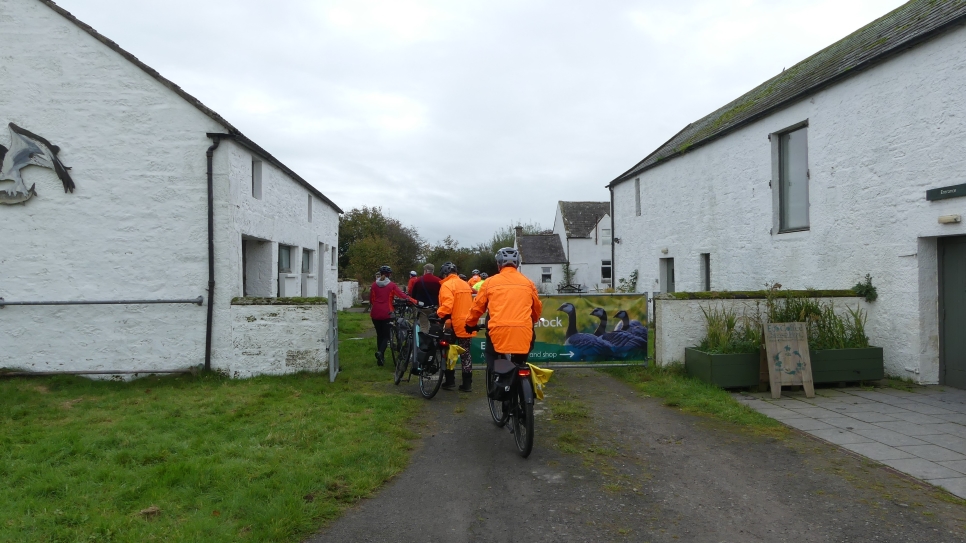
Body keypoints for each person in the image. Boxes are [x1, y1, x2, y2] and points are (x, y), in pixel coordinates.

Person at [465, 248, 542, 377]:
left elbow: (477, 307)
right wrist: (533, 320)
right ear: (517, 264)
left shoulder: (489, 282)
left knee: (492, 355)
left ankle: (496, 384)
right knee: (521, 362)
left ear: (499, 264)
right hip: (523, 330)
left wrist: (470, 323)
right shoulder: (528, 283)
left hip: (498, 331)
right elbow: (536, 308)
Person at [437, 262, 475, 391]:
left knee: (449, 351)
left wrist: (439, 314)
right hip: (467, 323)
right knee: (466, 353)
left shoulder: (447, 285)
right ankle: (467, 383)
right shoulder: (465, 284)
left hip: (452, 323)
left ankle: (449, 380)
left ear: (445, 274)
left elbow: (448, 305)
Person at [370, 265, 418, 366]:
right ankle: (380, 353)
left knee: (380, 335)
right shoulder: (391, 285)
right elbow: (403, 296)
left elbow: (372, 300)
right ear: (389, 275)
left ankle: (380, 359)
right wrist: (415, 301)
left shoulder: (374, 285)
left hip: (375, 313)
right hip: (387, 312)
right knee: (386, 336)